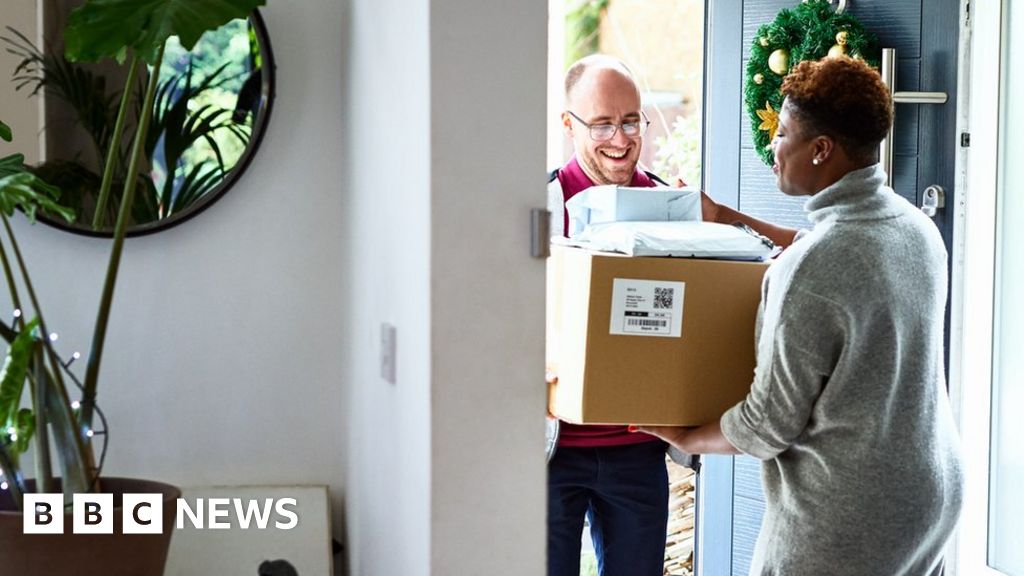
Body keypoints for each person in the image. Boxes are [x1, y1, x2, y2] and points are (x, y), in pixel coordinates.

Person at [637, 56, 965, 576]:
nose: (774, 146)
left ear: (821, 149)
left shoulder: (812, 271)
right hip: (930, 494)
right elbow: (832, 254)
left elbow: (766, 426)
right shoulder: (912, 227)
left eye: (783, 133)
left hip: (851, 512)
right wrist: (724, 217)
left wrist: (685, 437)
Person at [545, 54, 671, 576]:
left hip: (638, 449)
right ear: (568, 124)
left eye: (630, 121)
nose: (620, 139)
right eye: (601, 124)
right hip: (552, 450)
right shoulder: (541, 207)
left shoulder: (669, 208)